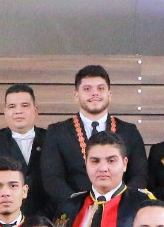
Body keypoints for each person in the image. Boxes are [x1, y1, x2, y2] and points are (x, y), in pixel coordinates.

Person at [40, 65, 149, 207]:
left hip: (122, 212)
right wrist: (78, 204)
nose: (94, 93)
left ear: (109, 94)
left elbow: (140, 176)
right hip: (73, 211)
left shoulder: (129, 131)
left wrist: (120, 202)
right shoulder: (57, 132)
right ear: (76, 95)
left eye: (101, 88)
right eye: (87, 89)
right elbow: (52, 179)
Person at [0, 84, 48, 215]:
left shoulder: (50, 138)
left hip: (49, 218)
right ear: (5, 111)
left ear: (35, 110)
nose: (18, 111)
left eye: (24, 105)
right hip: (6, 219)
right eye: (12, 106)